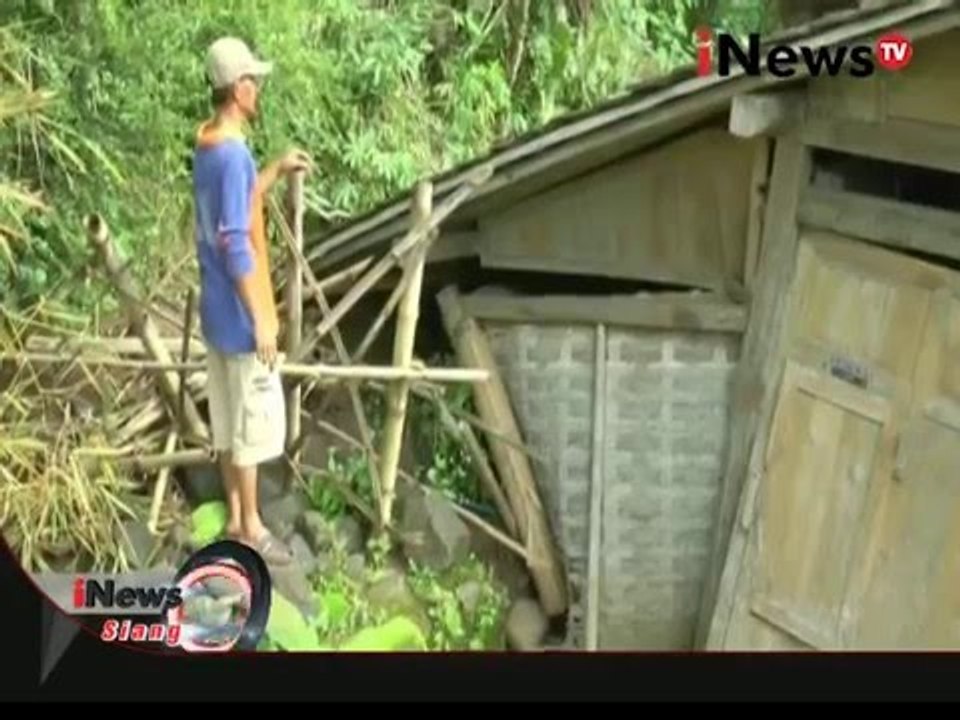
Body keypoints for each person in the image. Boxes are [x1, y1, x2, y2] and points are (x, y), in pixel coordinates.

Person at [192, 37, 311, 564]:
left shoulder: (207, 143)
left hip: (214, 311)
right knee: (249, 423)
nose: (258, 90)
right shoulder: (234, 153)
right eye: (254, 82)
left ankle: (238, 517)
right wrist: (263, 317)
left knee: (225, 418)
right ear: (239, 89)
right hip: (240, 317)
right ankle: (251, 526)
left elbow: (232, 205)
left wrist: (275, 170)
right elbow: (234, 238)